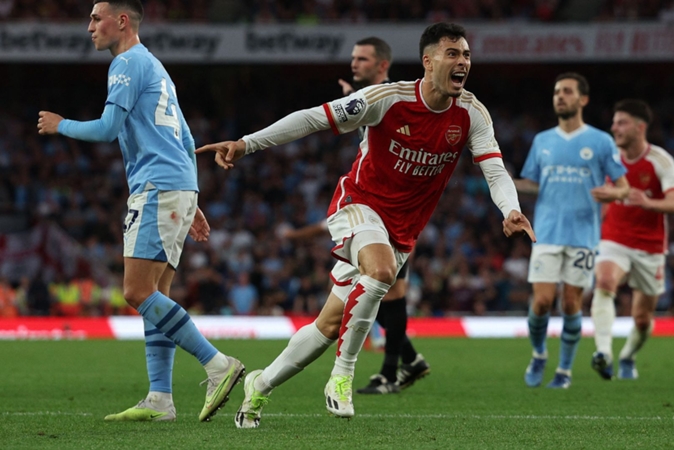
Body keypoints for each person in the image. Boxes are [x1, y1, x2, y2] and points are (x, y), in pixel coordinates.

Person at [196, 22, 534, 426]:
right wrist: (247, 143)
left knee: (328, 323)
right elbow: (312, 119)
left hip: (402, 229)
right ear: (428, 62)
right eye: (453, 54)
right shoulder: (386, 99)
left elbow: (494, 170)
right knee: (382, 271)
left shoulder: (472, 114)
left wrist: (509, 209)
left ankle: (260, 385)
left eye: (466, 55)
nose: (463, 62)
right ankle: (343, 376)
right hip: (358, 205)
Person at [36, 0, 244, 422]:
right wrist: (193, 199)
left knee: (135, 291)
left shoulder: (127, 64)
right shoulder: (155, 65)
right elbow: (185, 138)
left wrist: (63, 125)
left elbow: (108, 129)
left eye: (96, 18)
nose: (89, 27)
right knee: (156, 296)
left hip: (157, 188)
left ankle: (217, 364)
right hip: (176, 187)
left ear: (122, 21)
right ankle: (160, 399)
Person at [281, 36, 431, 395]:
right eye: (353, 58)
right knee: (381, 293)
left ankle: (396, 369)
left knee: (386, 295)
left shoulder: (392, 99)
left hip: (394, 213)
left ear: (382, 65)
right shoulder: (368, 99)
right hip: (377, 210)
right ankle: (404, 365)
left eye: (362, 59)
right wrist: (352, 96)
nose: (354, 63)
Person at [515, 72, 629, 389]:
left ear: (583, 99)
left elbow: (624, 187)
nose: (560, 97)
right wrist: (503, 182)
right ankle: (539, 354)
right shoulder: (542, 141)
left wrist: (613, 193)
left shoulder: (600, 141)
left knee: (570, 303)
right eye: (556, 92)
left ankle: (564, 371)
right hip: (547, 233)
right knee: (541, 302)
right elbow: (533, 184)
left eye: (566, 91)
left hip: (582, 236)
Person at [590, 99, 674, 380]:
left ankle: (627, 356)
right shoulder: (609, 158)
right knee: (605, 281)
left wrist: (647, 202)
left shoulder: (660, 160)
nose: (614, 128)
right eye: (614, 122)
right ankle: (603, 352)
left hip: (650, 246)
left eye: (621, 122)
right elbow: (602, 197)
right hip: (614, 238)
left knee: (642, 319)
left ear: (640, 127)